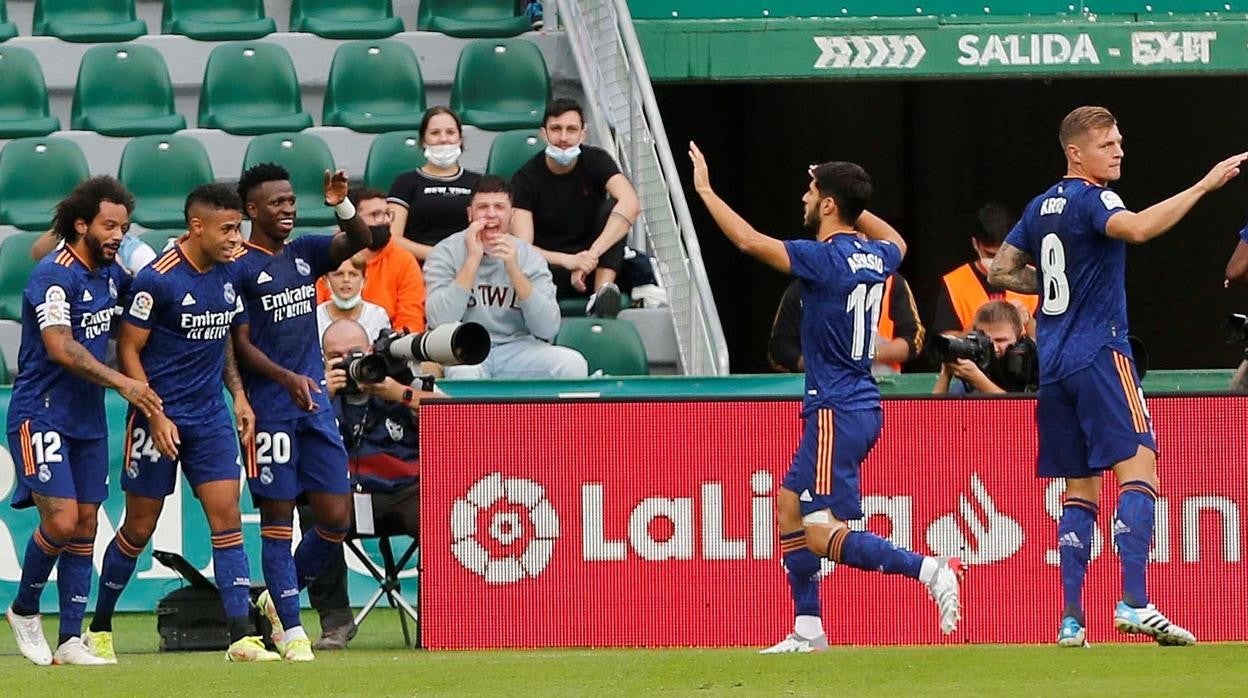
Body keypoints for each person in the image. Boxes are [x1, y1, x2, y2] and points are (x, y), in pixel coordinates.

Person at [688, 143, 963, 653]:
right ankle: (808, 629)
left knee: (819, 532)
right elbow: (897, 240)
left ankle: (929, 568)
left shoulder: (822, 260)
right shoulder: (875, 255)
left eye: (812, 191)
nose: (804, 198)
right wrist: (852, 202)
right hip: (855, 403)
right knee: (788, 507)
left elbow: (748, 241)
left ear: (828, 204)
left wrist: (704, 189)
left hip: (837, 409)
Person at [988, 105, 1245, 647]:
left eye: (1120, 142)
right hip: (1101, 355)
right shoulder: (1095, 197)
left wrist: (1060, 287)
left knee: (1080, 491)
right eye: (1107, 145)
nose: (1119, 151)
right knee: (1140, 473)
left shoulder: (1039, 207)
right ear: (1076, 153)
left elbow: (1001, 270)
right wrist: (1203, 186)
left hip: (1054, 366)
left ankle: (1072, 619)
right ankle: (1134, 602)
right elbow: (1139, 229)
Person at [86, 183, 278, 663]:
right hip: (158, 415)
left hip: (209, 417)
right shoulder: (159, 279)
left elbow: (224, 340)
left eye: (239, 227)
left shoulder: (229, 272)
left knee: (227, 520)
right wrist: (153, 413)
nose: (236, 238)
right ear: (197, 227)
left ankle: (241, 637)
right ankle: (101, 626)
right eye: (228, 228)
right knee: (139, 527)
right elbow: (129, 348)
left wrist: (237, 395)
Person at [4, 177, 163, 667]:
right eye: (109, 225)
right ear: (81, 225)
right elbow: (60, 346)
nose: (118, 234)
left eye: (124, 226)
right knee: (63, 519)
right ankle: (25, 609)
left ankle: (72, 638)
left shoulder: (111, 274)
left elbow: (148, 307)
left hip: (88, 418)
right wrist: (124, 382)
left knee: (88, 523)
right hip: (41, 412)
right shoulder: (55, 275)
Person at [230, 163, 375, 661]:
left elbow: (360, 238)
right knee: (278, 519)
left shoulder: (305, 253)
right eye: (277, 203)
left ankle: (275, 597)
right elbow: (241, 345)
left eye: (292, 201)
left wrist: (341, 204)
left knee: (335, 517)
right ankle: (291, 630)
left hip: (313, 408)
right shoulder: (239, 267)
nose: (288, 209)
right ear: (252, 210)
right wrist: (285, 377)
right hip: (271, 409)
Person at [306, 318, 428, 650]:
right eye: (338, 356)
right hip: (344, 497)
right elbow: (294, 441)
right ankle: (336, 622)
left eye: (356, 353)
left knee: (437, 510)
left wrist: (398, 392)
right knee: (312, 507)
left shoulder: (400, 381)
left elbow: (455, 413)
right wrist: (321, 398)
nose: (351, 363)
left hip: (402, 492)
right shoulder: (312, 393)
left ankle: (434, 620)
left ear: (372, 352)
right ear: (322, 359)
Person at [425, 176, 588, 379]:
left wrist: (514, 270)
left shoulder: (530, 257)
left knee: (572, 364)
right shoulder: (445, 252)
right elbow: (439, 320)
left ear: (511, 215)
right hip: (463, 348)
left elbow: (548, 328)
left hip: (518, 347)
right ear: (470, 214)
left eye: (499, 207)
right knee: (464, 374)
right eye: (483, 207)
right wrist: (472, 259)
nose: (491, 214)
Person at [511, 97, 642, 318]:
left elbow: (631, 204)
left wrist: (590, 257)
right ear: (544, 134)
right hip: (551, 268)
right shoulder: (525, 178)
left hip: (595, 263)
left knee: (614, 208)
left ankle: (601, 296)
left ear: (583, 134)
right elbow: (524, 246)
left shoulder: (597, 160)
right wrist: (570, 261)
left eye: (571, 129)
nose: (563, 138)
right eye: (556, 129)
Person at [317, 186, 426, 333]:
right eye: (376, 214)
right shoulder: (325, 256)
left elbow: (411, 322)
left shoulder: (403, 260)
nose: (386, 221)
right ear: (352, 221)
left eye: (388, 214)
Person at [769, 272, 924, 375]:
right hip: (822, 393)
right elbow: (779, 347)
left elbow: (914, 340)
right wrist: (815, 362)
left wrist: (866, 355)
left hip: (882, 390)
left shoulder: (890, 282)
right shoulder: (804, 286)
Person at [388, 106, 482, 262]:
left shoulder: (478, 182)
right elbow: (394, 237)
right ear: (423, 140)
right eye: (435, 133)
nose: (443, 139)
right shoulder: (405, 182)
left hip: (470, 264)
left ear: (461, 139)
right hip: (419, 266)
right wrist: (439, 256)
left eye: (450, 132)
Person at [932, 203, 1038, 335]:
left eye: (1002, 254)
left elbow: (1050, 341)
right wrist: (981, 322)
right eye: (990, 255)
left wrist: (1027, 320)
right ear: (975, 244)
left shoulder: (1035, 278)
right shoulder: (954, 283)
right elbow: (945, 343)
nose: (996, 262)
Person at [932, 300, 1031, 395]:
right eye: (986, 341)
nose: (994, 348)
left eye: (1000, 340)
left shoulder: (1034, 362)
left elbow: (1019, 410)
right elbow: (935, 411)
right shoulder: (975, 368)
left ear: (1019, 337)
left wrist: (979, 381)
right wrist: (945, 374)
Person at [317, 256, 391, 342]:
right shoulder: (316, 317)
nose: (346, 280)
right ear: (326, 281)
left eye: (353, 274)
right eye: (339, 274)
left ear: (364, 281)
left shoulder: (377, 316)